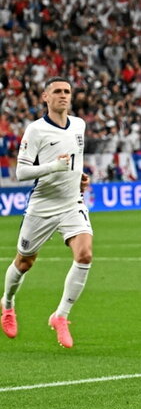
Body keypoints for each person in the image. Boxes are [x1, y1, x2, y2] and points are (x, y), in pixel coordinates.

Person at [1, 77, 92, 348]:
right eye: (57, 92)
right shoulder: (36, 130)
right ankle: (7, 304)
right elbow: (21, 172)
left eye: (67, 91)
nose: (63, 96)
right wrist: (53, 167)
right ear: (45, 97)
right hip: (42, 205)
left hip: (72, 202)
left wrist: (79, 176)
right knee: (25, 261)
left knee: (85, 254)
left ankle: (60, 316)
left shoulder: (79, 124)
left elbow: (74, 159)